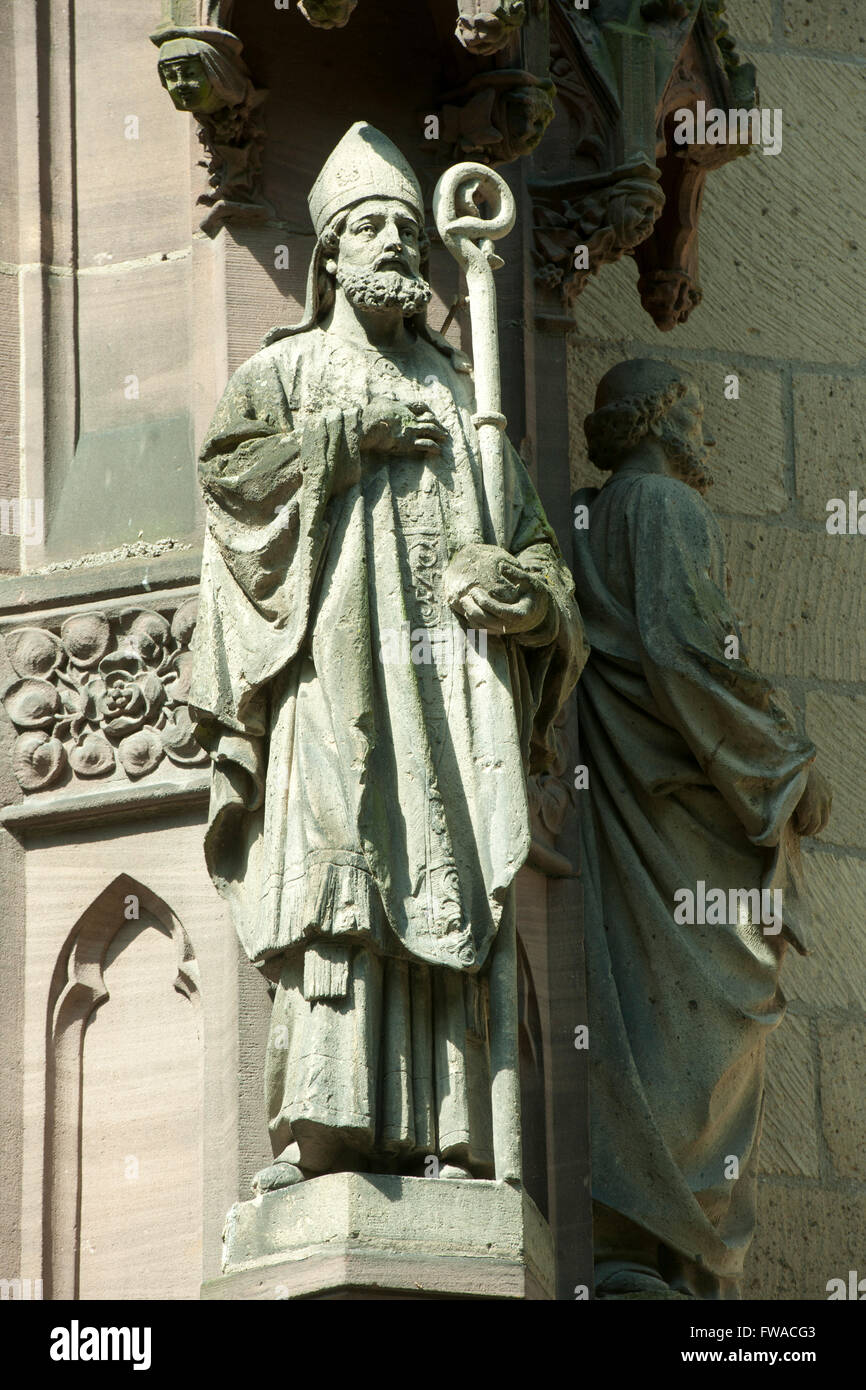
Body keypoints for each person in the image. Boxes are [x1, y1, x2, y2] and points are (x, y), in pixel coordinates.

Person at [188, 122, 585, 1190]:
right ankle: (324, 1136)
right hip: (326, 676)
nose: (396, 247)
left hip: (449, 693)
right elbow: (230, 484)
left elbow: (539, 557)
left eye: (409, 232)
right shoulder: (285, 374)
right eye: (371, 228)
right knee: (337, 878)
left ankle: (454, 1138)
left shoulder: (469, 403)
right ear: (328, 257)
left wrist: (526, 601)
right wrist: (345, 439)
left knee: (445, 874)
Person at [572, 358, 831, 1299]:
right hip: (683, 821)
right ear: (657, 422)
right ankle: (664, 1255)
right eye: (695, 417)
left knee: (633, 1022)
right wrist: (784, 767)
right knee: (694, 1035)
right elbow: (690, 656)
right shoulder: (666, 509)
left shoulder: (582, 518)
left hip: (623, 812)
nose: (708, 440)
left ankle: (628, 1245)